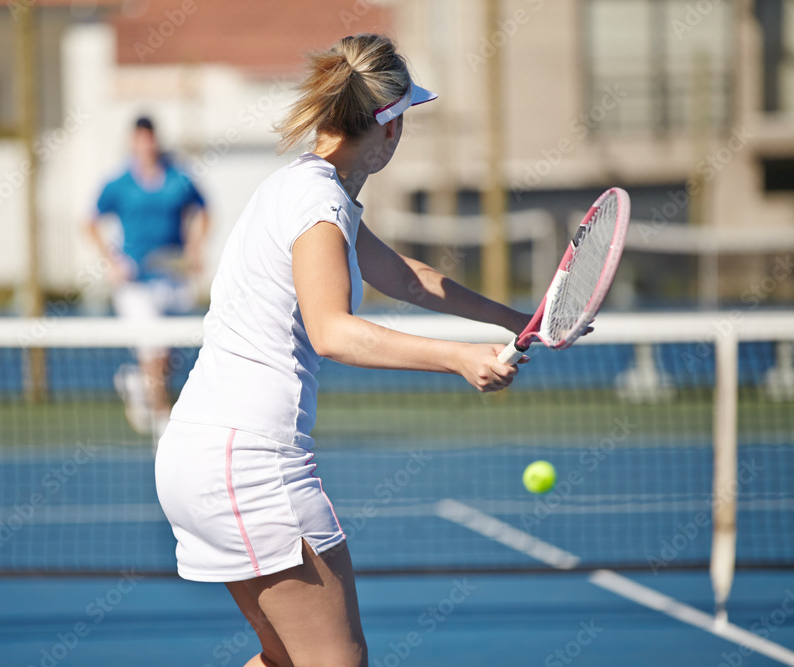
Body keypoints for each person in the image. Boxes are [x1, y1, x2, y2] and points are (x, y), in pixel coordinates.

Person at [155, 34, 531, 667]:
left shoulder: (305, 189)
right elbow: (332, 331)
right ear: (389, 128)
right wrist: (459, 357)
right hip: (250, 464)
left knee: (284, 659)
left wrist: (518, 320)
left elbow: (406, 278)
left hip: (199, 455)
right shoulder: (318, 202)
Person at [86, 116, 209, 443]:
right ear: (132, 143)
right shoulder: (118, 184)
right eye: (139, 140)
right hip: (135, 284)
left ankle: (137, 383)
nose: (146, 146)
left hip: (171, 278)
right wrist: (112, 262)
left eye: (150, 139)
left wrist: (195, 250)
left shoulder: (178, 179)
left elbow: (204, 209)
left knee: (164, 357)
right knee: (154, 350)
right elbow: (90, 222)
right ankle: (162, 424)